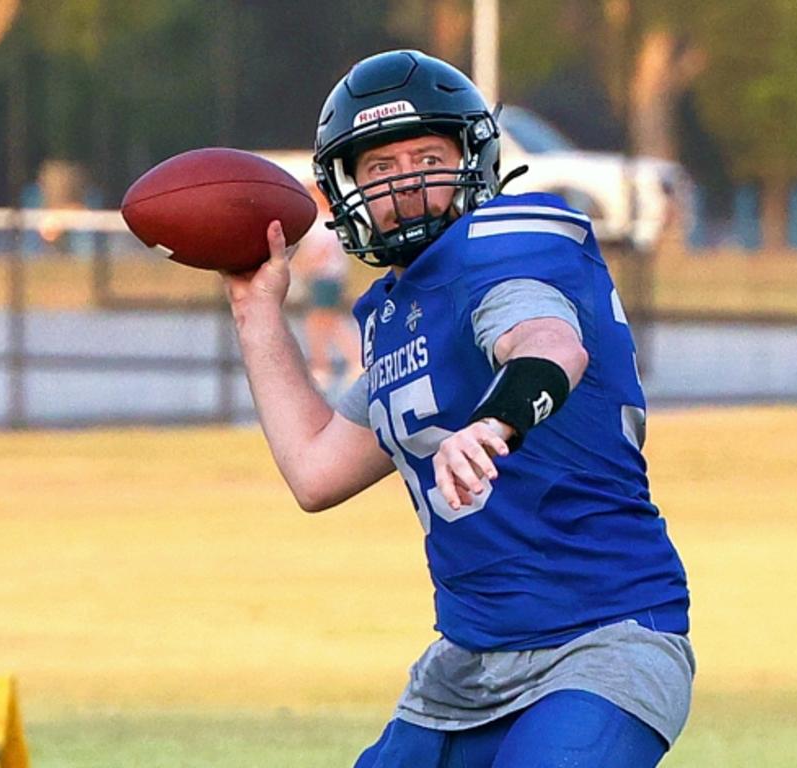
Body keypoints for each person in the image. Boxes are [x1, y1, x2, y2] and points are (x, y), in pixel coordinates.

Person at [223, 50, 694, 768]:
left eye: (426, 158)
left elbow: (548, 344)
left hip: (604, 641)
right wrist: (257, 311)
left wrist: (493, 421)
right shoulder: (398, 316)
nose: (405, 184)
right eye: (380, 169)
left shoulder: (508, 248)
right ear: (351, 190)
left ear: (474, 159)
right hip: (466, 668)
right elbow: (315, 470)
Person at [291, 185, 363, 391]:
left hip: (327, 277)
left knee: (323, 320)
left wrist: (301, 268)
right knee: (321, 320)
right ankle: (327, 364)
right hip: (321, 278)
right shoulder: (317, 223)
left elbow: (321, 254)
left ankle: (327, 365)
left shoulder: (326, 224)